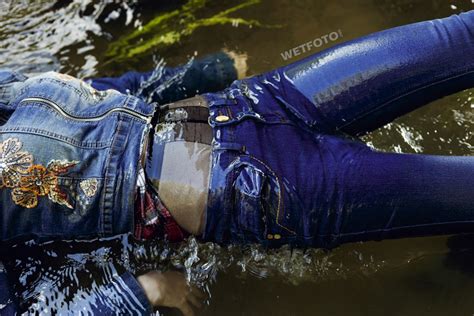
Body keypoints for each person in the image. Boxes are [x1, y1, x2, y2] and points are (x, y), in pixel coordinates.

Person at [1, 9, 474, 316]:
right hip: (250, 192)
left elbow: (101, 93)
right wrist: (145, 291)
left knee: (458, 36)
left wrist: (206, 73)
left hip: (256, 102)